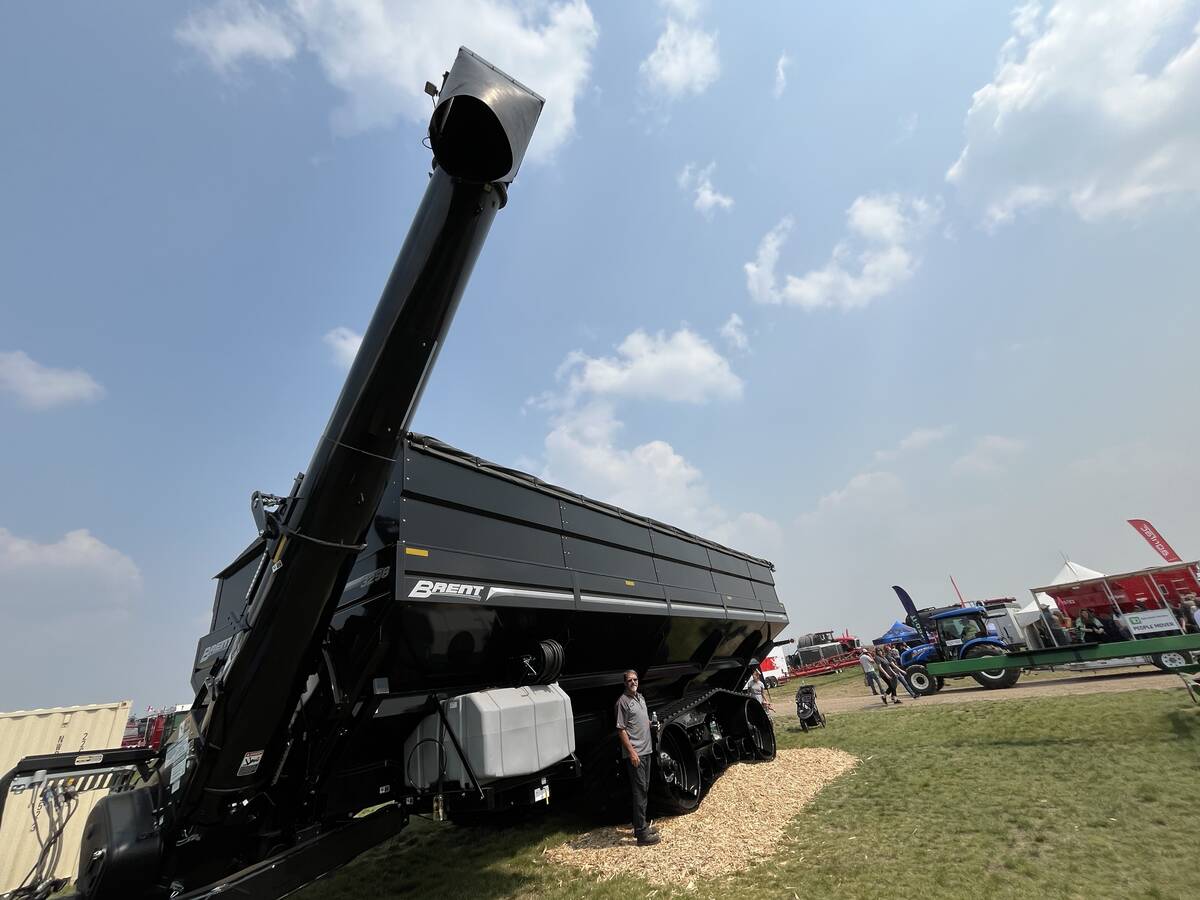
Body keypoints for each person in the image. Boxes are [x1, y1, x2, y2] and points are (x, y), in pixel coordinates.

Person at [615, 669, 660, 846]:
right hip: (637, 754)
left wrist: (651, 724)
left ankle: (641, 826)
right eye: (629, 680)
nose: (633, 682)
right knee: (639, 792)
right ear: (624, 683)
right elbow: (621, 729)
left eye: (635, 679)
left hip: (647, 750)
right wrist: (632, 752)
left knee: (644, 789)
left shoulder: (640, 698)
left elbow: (640, 722)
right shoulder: (622, 702)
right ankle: (642, 834)